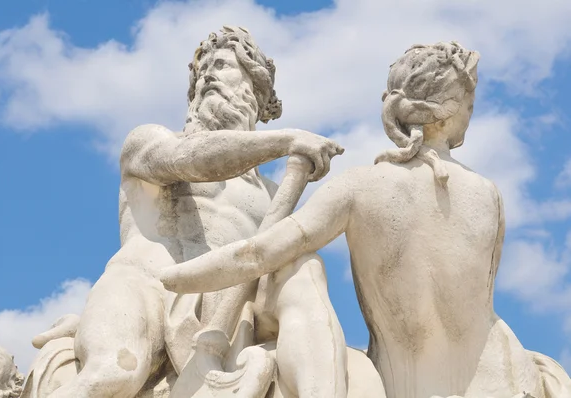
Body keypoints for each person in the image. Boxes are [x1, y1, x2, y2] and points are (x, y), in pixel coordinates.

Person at [160, 42, 571, 398]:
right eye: (470, 103)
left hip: (402, 383)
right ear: (447, 112)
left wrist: (172, 279)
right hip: (503, 378)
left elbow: (257, 255)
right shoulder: (488, 193)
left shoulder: (356, 188)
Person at [33, 26, 345, 398]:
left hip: (228, 313)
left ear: (257, 94)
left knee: (303, 267)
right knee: (113, 373)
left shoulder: (273, 196)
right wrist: (285, 141)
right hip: (144, 283)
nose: (209, 74)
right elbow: (189, 160)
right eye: (203, 71)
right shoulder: (148, 141)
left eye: (225, 66)